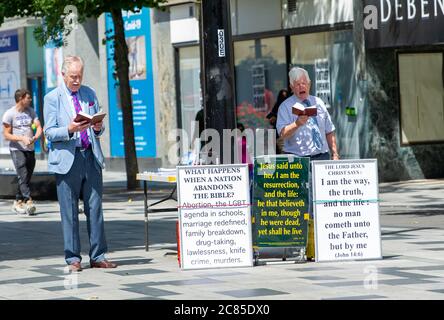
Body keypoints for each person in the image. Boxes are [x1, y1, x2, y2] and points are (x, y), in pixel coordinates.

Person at [43, 55, 117, 272]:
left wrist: (97, 128)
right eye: (73, 77)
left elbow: (99, 125)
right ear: (63, 74)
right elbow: (49, 132)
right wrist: (69, 130)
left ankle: (98, 255)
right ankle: (73, 258)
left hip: (90, 157)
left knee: (95, 208)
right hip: (68, 159)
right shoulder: (52, 98)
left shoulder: (89, 93)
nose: (77, 81)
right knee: (70, 211)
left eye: (79, 76)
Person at [276, 67, 339, 161]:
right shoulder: (285, 107)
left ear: (309, 84)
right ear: (292, 87)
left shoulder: (319, 102)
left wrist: (335, 154)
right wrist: (296, 124)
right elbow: (282, 134)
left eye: (304, 83)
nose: (302, 87)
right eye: (297, 84)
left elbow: (329, 130)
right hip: (297, 159)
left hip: (322, 157)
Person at [2, 89, 42, 215]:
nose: (30, 100)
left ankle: (18, 201)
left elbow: (39, 127)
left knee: (26, 176)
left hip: (30, 148)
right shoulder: (9, 114)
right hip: (17, 148)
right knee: (22, 171)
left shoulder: (31, 112)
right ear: (20, 99)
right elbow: (6, 135)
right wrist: (22, 138)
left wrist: (35, 138)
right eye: (28, 98)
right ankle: (28, 201)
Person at [267, 89, 289, 154]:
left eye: (285, 96)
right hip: (278, 132)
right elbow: (271, 118)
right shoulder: (277, 106)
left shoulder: (290, 105)